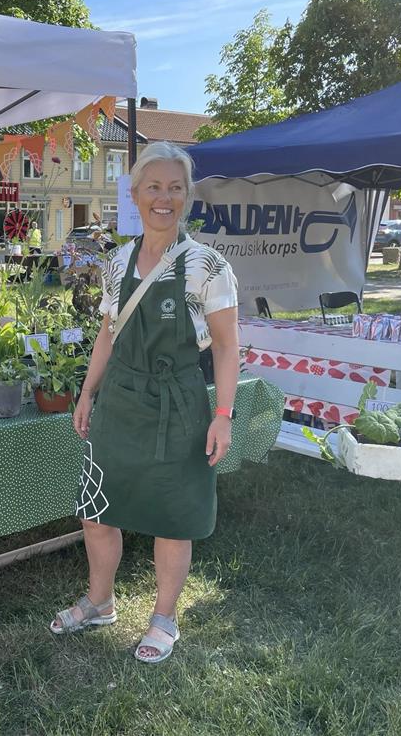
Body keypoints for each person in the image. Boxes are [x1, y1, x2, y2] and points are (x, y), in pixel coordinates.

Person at [50, 142, 239, 664]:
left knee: (173, 516)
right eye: (153, 187)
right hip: (120, 403)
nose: (164, 197)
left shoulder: (208, 265)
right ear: (134, 194)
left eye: (175, 188)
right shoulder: (116, 263)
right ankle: (100, 601)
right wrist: (88, 393)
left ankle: (164, 617)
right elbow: (108, 335)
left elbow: (226, 347)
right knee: (96, 510)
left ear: (187, 197)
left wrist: (223, 416)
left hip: (178, 405)